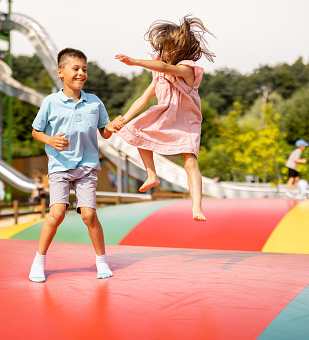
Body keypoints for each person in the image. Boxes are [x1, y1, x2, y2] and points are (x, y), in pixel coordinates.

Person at [28, 48, 123, 283]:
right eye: (76, 69)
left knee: (89, 216)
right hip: (59, 165)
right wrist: (50, 140)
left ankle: (102, 261)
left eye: (84, 69)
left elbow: (105, 132)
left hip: (88, 165)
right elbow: (35, 131)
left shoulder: (94, 102)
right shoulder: (50, 102)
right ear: (61, 72)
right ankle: (38, 261)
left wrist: (113, 126)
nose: (81, 73)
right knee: (57, 213)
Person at [114, 15, 215, 222]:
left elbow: (168, 68)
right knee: (137, 132)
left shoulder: (187, 69)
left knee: (189, 162)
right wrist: (125, 118)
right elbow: (144, 97)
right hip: (165, 114)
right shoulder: (158, 74)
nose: (164, 54)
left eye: (169, 49)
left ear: (181, 51)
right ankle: (152, 175)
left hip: (187, 120)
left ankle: (197, 207)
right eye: (162, 49)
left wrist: (134, 62)